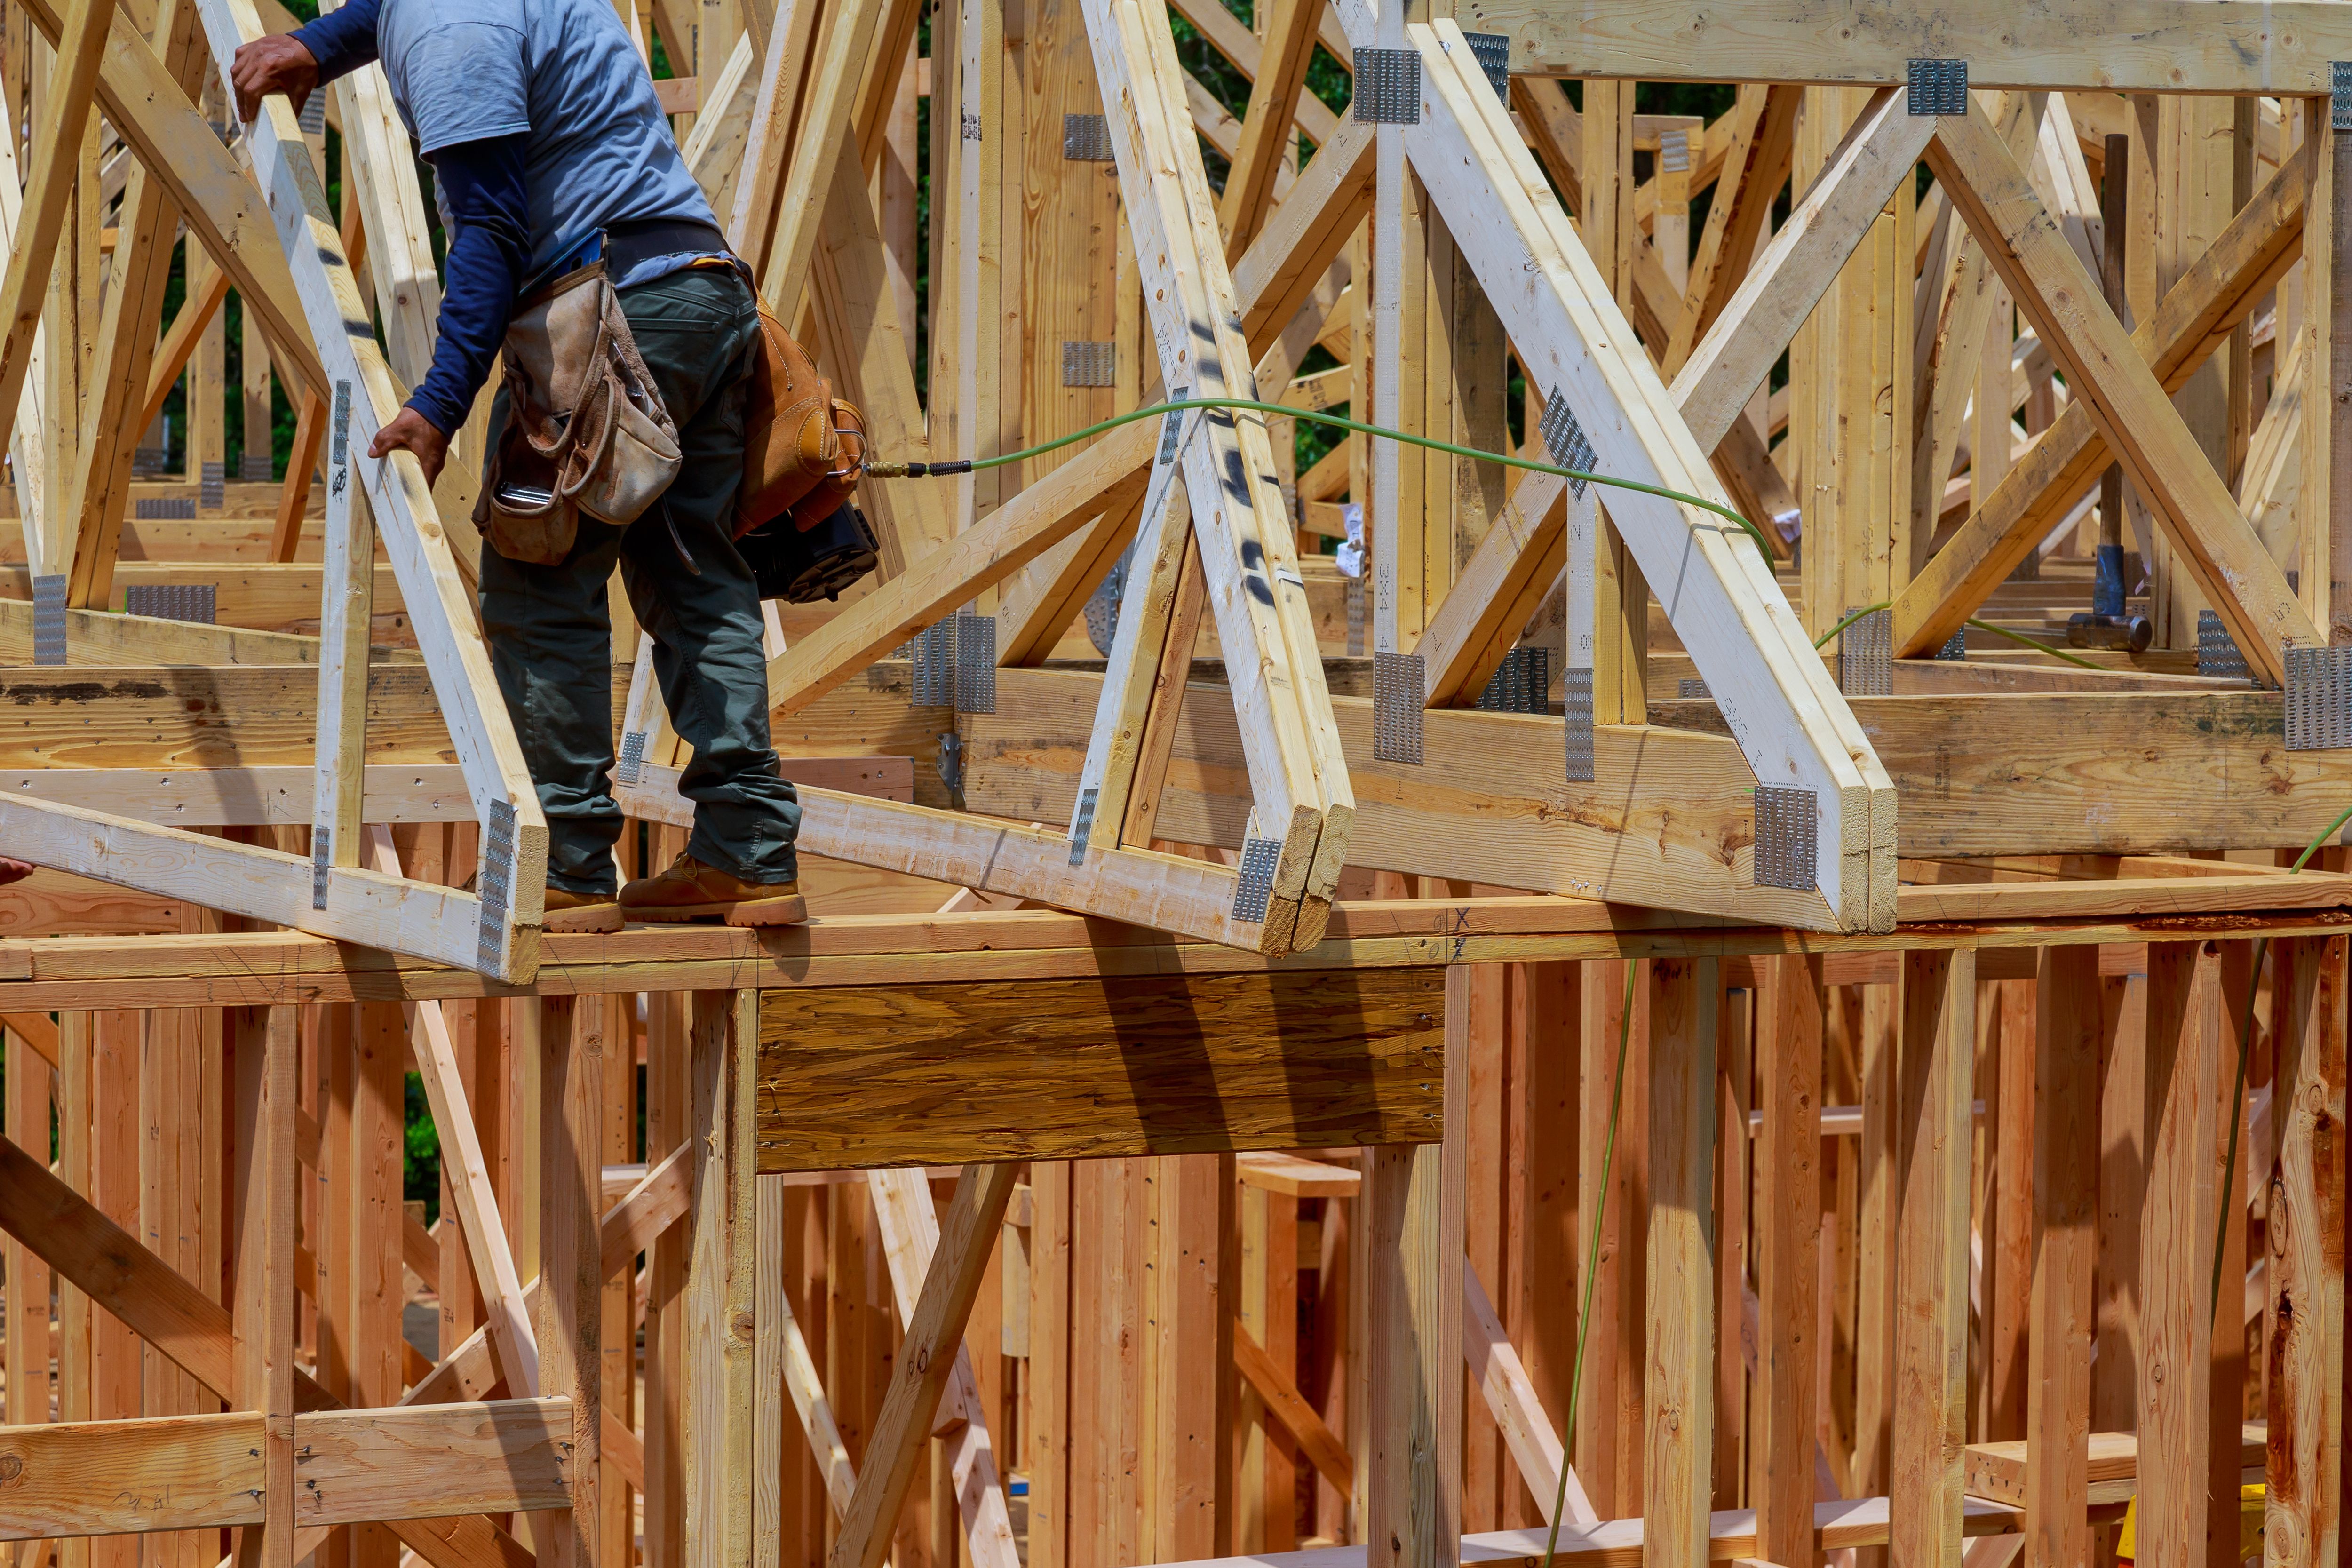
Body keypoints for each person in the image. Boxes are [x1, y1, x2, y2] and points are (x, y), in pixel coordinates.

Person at [231, 0, 806, 931]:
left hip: (607, 318)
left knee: (541, 574)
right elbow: (384, 13)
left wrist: (437, 407)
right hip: (703, 294)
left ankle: (569, 868)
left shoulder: (454, 35)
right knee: (693, 572)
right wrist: (315, 46)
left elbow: (491, 239)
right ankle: (749, 852)